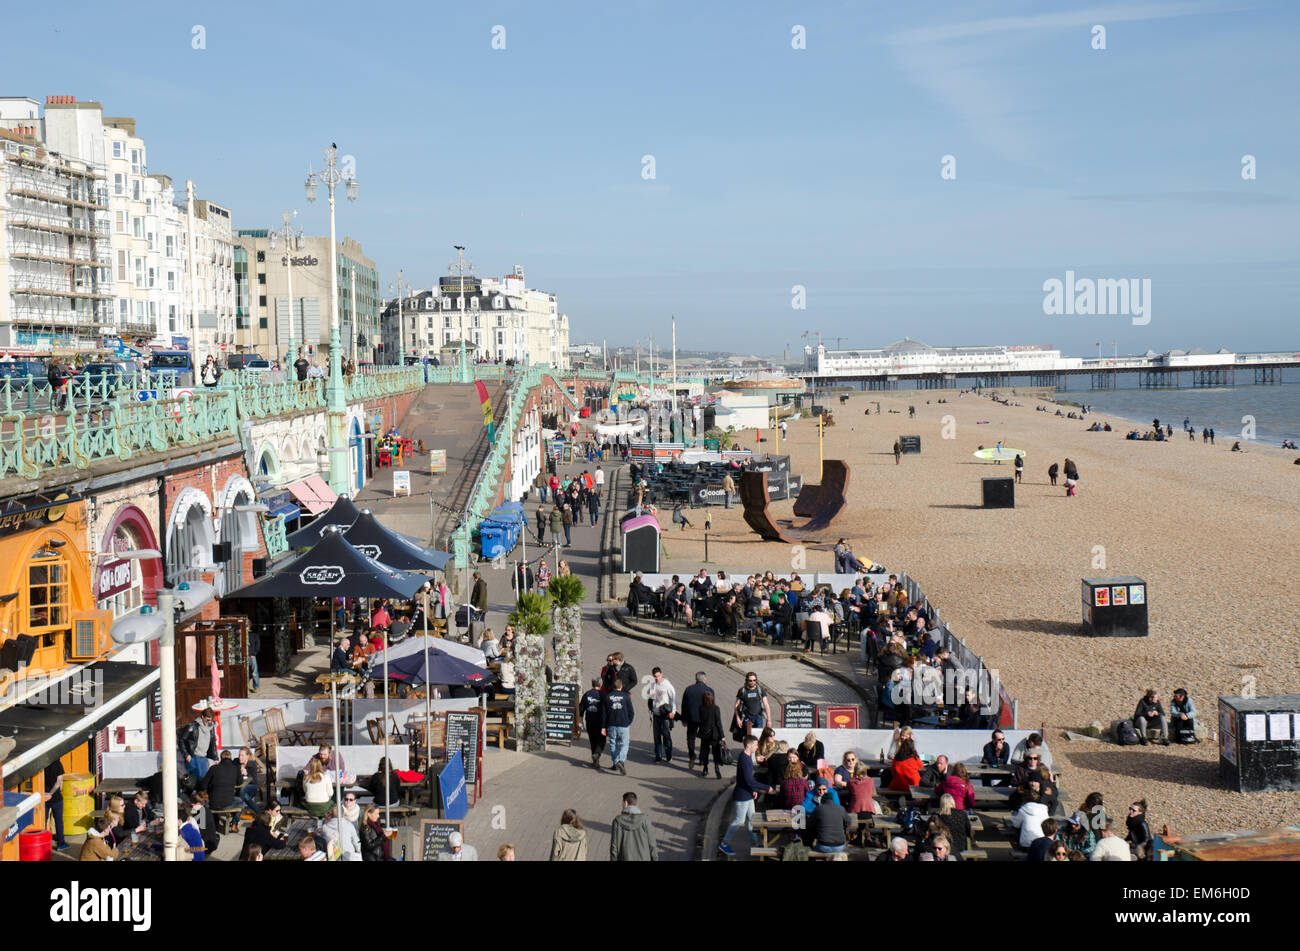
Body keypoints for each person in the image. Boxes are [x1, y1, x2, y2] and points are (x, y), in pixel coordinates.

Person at [718, 734, 773, 857]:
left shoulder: (747, 757)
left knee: (752, 820)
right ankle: (724, 843)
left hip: (747, 793)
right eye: (755, 745)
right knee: (739, 820)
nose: (757, 747)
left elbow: (747, 779)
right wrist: (765, 787)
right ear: (748, 745)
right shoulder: (744, 759)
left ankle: (754, 843)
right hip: (742, 796)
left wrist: (753, 789)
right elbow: (749, 780)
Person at [610, 791, 659, 861]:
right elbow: (652, 844)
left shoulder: (617, 821)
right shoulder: (645, 820)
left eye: (622, 803)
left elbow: (614, 847)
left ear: (625, 803)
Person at [602, 677, 635, 775]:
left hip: (611, 724)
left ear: (613, 686)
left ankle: (616, 762)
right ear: (621, 686)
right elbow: (631, 712)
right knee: (625, 744)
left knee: (613, 743)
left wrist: (604, 726)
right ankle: (621, 760)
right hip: (623, 724)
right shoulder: (626, 696)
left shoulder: (608, 697)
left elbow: (604, 714)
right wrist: (628, 722)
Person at [809, 784, 856, 853]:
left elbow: (809, 824)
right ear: (832, 800)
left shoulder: (819, 809)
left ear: (823, 800)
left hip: (823, 846)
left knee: (811, 848)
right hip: (840, 846)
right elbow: (849, 822)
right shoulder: (841, 808)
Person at [178, 707, 218, 782]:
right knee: (193, 781)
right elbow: (182, 740)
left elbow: (213, 743)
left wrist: (215, 758)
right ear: (202, 717)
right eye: (207, 719)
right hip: (193, 757)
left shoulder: (211, 728)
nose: (209, 722)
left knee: (203, 780)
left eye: (211, 720)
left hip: (203, 758)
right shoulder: (193, 726)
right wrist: (186, 755)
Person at [647, 667, 677, 763]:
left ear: (661, 674)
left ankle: (668, 754)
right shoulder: (652, 685)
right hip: (656, 714)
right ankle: (658, 755)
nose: (657, 678)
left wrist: (673, 712)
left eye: (658, 676)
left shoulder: (667, 685)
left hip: (665, 715)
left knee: (666, 735)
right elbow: (651, 698)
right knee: (656, 736)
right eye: (655, 676)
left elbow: (674, 699)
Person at [200, 748, 242, 813]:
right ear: (231, 758)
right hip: (228, 802)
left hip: (213, 802)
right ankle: (234, 821)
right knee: (240, 800)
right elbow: (240, 782)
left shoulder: (213, 768)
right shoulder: (235, 768)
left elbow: (203, 785)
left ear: (221, 758)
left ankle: (215, 819)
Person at [697, 691, 726, 779]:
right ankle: (716, 768)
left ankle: (705, 768)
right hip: (714, 734)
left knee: (705, 751)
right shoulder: (716, 708)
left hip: (704, 733)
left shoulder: (701, 708)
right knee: (716, 752)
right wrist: (722, 736)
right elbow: (718, 723)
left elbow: (700, 721)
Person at [42, 758, 70, 851]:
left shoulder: (41, 763)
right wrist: (51, 793)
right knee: (58, 821)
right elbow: (59, 782)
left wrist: (45, 794)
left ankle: (43, 844)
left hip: (43, 798)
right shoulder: (57, 763)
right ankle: (61, 843)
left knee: (43, 822)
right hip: (56, 798)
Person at [579, 677, 607, 767]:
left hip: (589, 721)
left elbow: (581, 708)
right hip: (600, 722)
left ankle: (595, 761)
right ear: (601, 684)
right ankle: (597, 754)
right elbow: (606, 710)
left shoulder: (587, 694)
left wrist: (580, 720)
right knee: (602, 740)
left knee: (593, 740)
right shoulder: (603, 695)